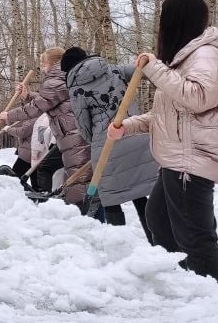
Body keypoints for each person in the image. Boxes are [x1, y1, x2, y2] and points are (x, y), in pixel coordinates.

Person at [108, 0, 218, 286]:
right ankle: (181, 284)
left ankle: (211, 298)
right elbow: (167, 115)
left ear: (175, 21)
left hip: (192, 160)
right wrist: (128, 126)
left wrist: (155, 68)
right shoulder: (185, 59)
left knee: (194, 236)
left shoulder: (207, 55)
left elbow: (198, 98)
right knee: (159, 220)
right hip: (177, 159)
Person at [63, 47, 158, 236]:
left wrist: (95, 142)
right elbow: (143, 71)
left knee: (110, 198)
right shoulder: (114, 69)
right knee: (139, 193)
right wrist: (148, 61)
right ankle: (156, 242)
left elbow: (84, 126)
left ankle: (119, 243)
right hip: (137, 136)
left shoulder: (76, 89)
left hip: (107, 145)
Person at [0, 48, 90, 205]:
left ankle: (48, 204)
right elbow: (48, 100)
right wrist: (27, 95)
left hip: (73, 136)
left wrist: (9, 116)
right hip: (72, 135)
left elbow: (38, 106)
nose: (42, 68)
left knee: (77, 182)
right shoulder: (67, 76)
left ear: (54, 63)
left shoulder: (56, 79)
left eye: (44, 64)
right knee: (78, 179)